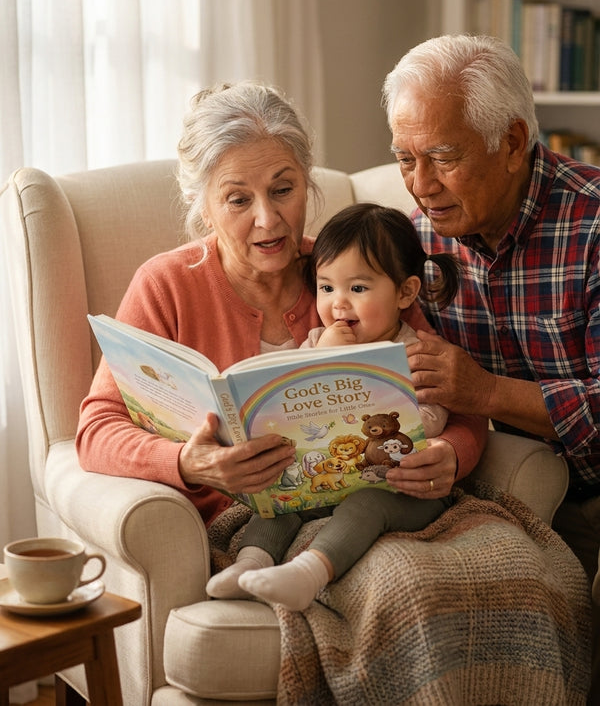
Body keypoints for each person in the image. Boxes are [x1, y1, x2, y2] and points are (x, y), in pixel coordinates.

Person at [76, 80, 486, 536]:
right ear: (203, 206)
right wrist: (188, 463)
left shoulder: (354, 274)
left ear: (306, 183)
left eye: (283, 190)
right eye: (238, 199)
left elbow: (459, 400)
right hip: (246, 529)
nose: (268, 219)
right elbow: (96, 429)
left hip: (367, 516)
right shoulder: (165, 285)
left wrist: (450, 451)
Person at [382, 32, 600, 701]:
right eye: (404, 159)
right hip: (491, 487)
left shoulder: (592, 225)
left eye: (443, 157)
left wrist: (484, 391)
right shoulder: (414, 241)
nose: (420, 186)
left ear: (511, 144)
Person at [206, 202, 461, 610]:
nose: (338, 304)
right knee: (280, 498)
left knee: (367, 505)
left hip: (400, 489)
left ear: (405, 292)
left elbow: (430, 420)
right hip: (326, 479)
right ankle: (249, 565)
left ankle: (308, 573)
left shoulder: (415, 354)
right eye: (326, 288)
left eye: (357, 289)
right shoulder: (314, 342)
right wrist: (320, 361)